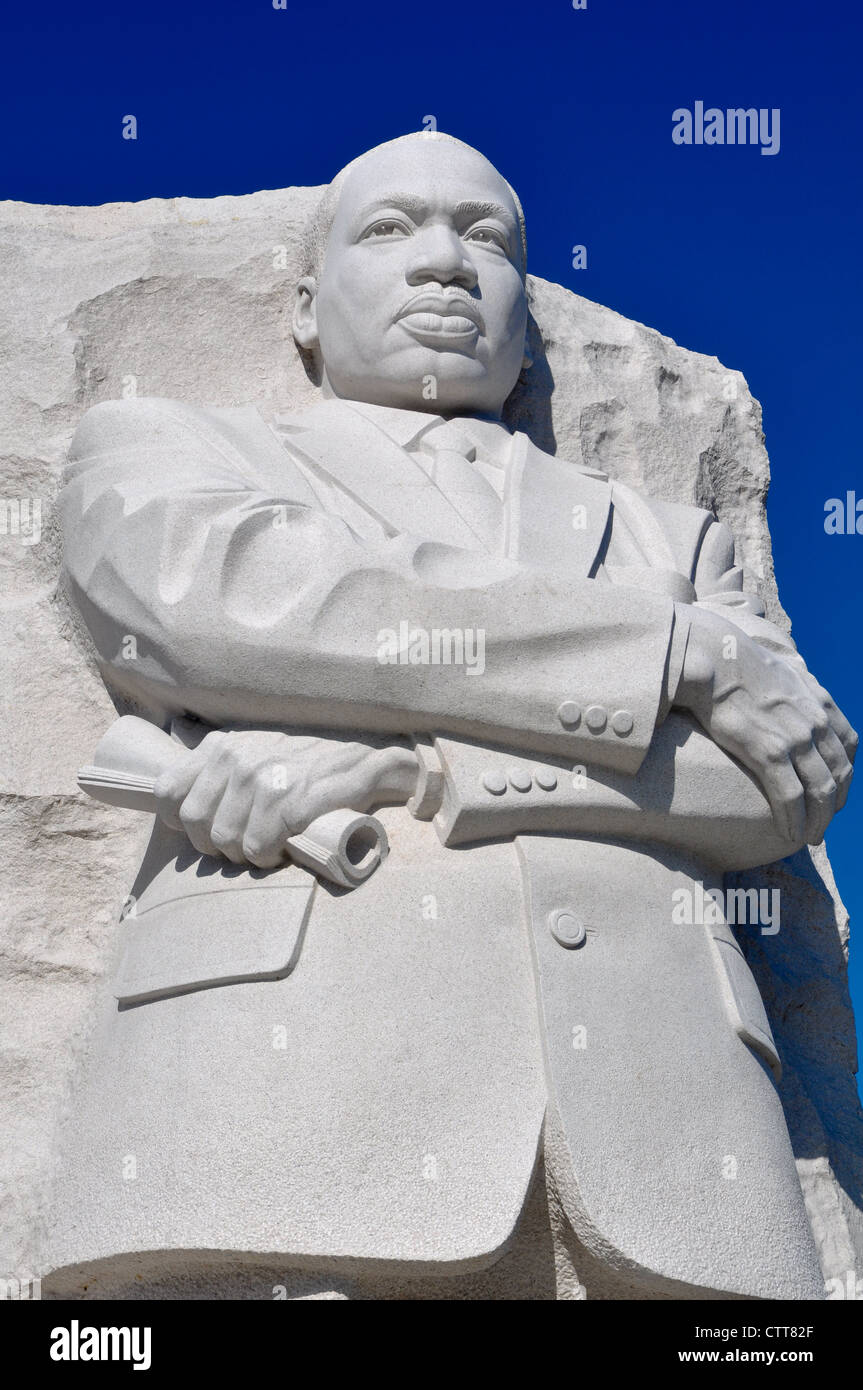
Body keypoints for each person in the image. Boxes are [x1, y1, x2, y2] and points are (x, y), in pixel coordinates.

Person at [49, 132, 855, 1300]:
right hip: (274, 1120)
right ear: (305, 309)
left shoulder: (670, 540)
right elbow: (232, 608)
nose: (444, 264)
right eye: (391, 230)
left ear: (526, 321)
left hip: (678, 1148)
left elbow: (775, 784)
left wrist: (413, 767)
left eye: (486, 239)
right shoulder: (171, 448)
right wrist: (672, 651)